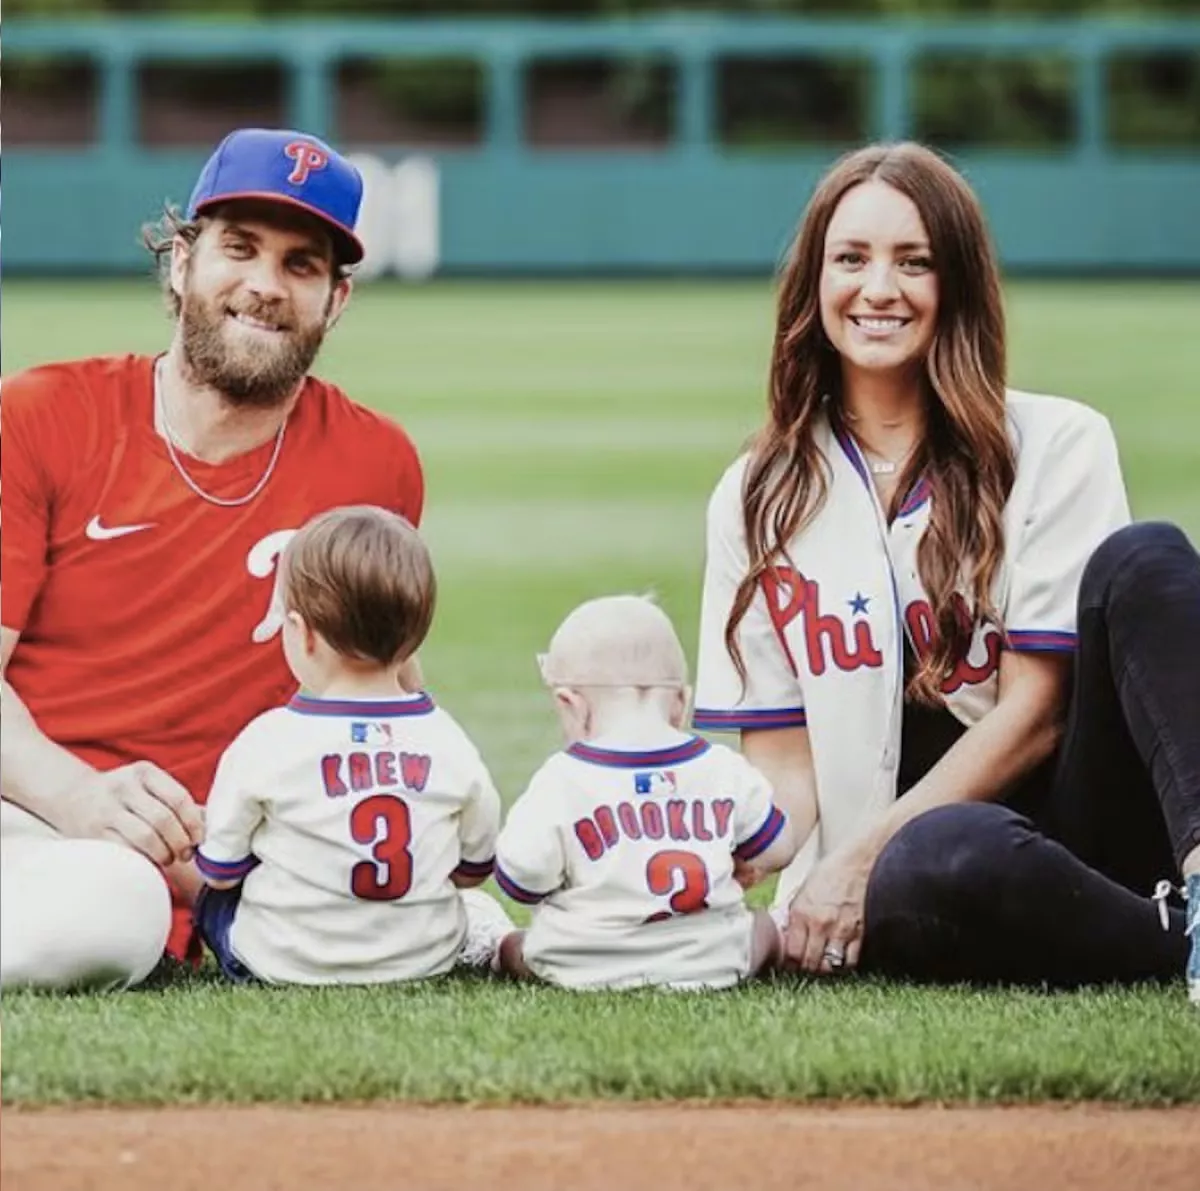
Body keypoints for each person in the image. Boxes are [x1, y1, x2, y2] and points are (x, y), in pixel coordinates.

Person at [693, 141, 1199, 1001]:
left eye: (914, 262)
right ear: (814, 284)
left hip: (1087, 831)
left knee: (1145, 557)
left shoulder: (1057, 442)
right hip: (926, 875)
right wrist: (697, 869)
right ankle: (1169, 943)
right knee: (939, 852)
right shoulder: (758, 493)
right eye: (850, 258)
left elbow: (1037, 715)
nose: (878, 288)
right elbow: (784, 767)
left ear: (956, 284)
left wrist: (856, 857)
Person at [1, 127, 425, 990]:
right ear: (181, 263)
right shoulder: (42, 414)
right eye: (240, 248)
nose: (265, 286)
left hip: (232, 865)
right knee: (114, 899)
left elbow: (383, 687)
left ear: (335, 302)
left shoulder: (375, 462)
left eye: (302, 265)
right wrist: (75, 795)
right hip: (30, 816)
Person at [193, 506, 511, 984]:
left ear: (302, 634)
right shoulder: (448, 740)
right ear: (413, 641)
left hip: (281, 963)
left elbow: (220, 871)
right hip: (423, 959)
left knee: (213, 881)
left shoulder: (268, 739)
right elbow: (471, 872)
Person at [494, 595, 795, 990]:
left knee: (515, 947)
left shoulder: (562, 778)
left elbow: (523, 879)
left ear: (571, 704)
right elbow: (779, 849)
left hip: (583, 964)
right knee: (765, 927)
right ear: (681, 703)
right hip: (710, 960)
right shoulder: (722, 768)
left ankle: (502, 947)